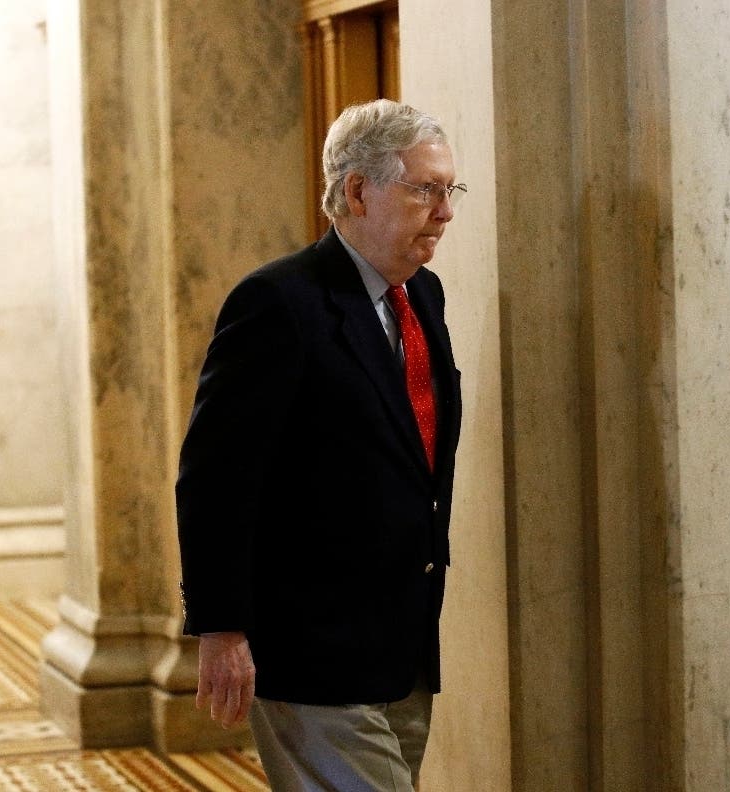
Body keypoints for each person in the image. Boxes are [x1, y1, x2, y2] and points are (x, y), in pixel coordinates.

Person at [175, 99, 464, 791]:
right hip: (312, 650)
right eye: (425, 189)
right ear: (359, 191)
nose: (445, 211)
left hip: (404, 646)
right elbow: (216, 478)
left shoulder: (423, 297)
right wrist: (222, 628)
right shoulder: (277, 304)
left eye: (449, 190)